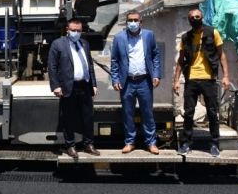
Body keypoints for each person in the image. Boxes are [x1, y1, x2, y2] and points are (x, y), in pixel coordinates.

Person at [173, 8, 230, 157]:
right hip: (191, 79)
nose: (195, 19)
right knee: (189, 112)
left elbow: (221, 55)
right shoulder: (186, 37)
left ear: (202, 17)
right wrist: (176, 80)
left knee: (212, 112)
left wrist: (226, 76)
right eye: (192, 17)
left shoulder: (213, 33)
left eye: (197, 16)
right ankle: (186, 143)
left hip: (209, 79)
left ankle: (214, 144)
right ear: (189, 20)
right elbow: (181, 60)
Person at [110, 10, 162, 155]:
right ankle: (129, 142)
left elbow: (155, 55)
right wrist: (115, 79)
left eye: (135, 20)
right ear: (126, 22)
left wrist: (156, 74)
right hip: (127, 82)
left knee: (147, 113)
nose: (132, 23)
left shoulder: (149, 35)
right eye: (130, 20)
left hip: (144, 81)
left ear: (141, 22)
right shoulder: (119, 37)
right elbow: (114, 60)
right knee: (128, 113)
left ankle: (151, 143)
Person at [48, 18, 99, 158]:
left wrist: (93, 84)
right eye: (73, 30)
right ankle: (70, 146)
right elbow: (52, 67)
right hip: (68, 86)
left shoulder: (85, 44)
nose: (76, 33)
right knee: (68, 118)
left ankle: (89, 145)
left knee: (88, 117)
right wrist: (55, 86)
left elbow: (90, 66)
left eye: (78, 30)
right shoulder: (58, 44)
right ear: (67, 30)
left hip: (85, 85)